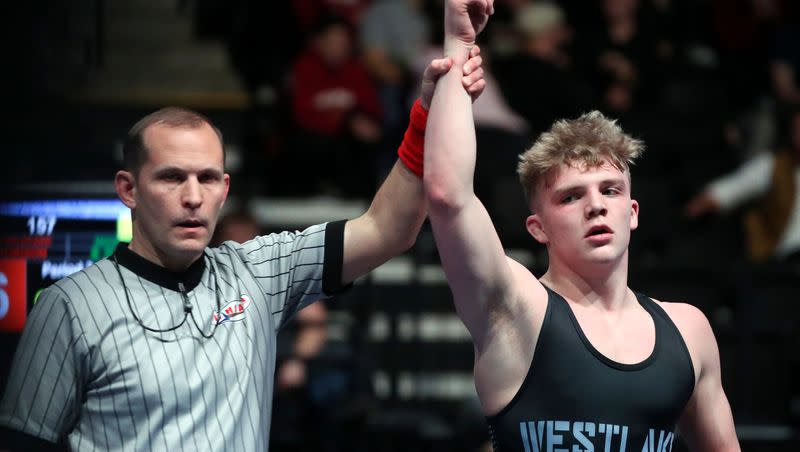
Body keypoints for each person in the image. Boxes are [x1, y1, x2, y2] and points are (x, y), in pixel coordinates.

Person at [0, 51, 486, 451]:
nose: (193, 196)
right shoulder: (70, 305)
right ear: (128, 189)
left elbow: (387, 229)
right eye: (171, 177)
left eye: (207, 178)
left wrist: (426, 116)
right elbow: (23, 442)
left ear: (224, 188)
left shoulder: (257, 272)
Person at [423, 1, 740, 450]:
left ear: (632, 212)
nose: (596, 206)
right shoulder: (516, 309)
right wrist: (459, 43)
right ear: (537, 228)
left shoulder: (689, 330)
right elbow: (447, 196)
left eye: (610, 190)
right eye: (571, 196)